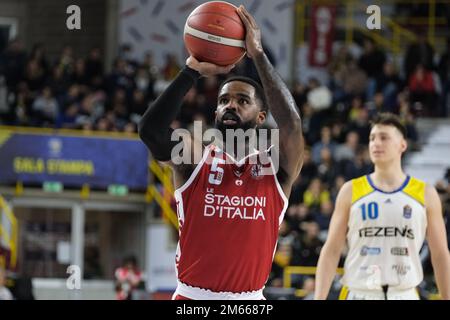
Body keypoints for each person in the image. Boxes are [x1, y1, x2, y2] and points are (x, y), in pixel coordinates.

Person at [138, 5, 304, 300]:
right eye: (224, 100)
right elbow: (150, 131)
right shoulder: (194, 156)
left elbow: (291, 124)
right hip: (192, 299)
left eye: (242, 100)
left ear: (262, 116)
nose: (231, 105)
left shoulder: (275, 165)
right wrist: (191, 71)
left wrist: (258, 56)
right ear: (215, 110)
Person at [314, 113, 450, 300]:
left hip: (404, 293)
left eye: (384, 137)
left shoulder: (425, 193)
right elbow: (331, 250)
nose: (376, 143)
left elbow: (440, 253)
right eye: (372, 138)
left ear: (402, 145)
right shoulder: (350, 190)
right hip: (359, 292)